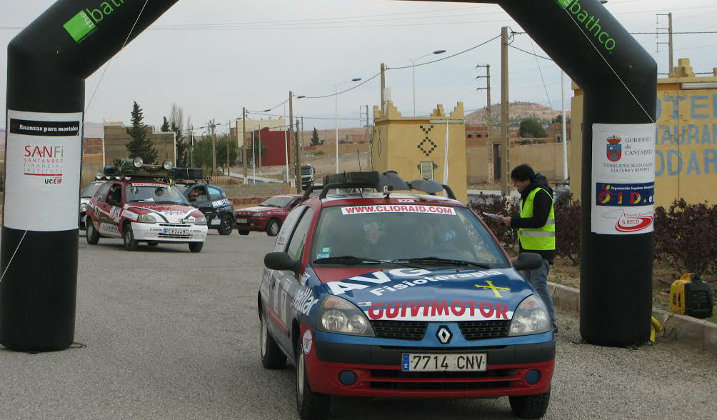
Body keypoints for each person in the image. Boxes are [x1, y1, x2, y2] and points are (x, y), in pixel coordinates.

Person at [501, 164, 558, 332]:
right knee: (530, 288)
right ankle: (535, 323)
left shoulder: (540, 194)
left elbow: (539, 220)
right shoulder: (527, 195)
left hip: (541, 250)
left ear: (526, 180)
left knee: (539, 286)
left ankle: (551, 325)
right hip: (528, 250)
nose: (515, 185)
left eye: (517, 182)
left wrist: (514, 222)